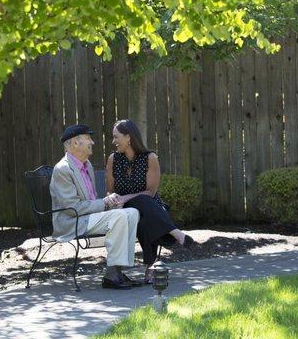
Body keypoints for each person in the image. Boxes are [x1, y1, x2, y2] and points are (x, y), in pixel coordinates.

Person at [50, 123, 141, 290]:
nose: (92, 142)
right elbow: (73, 208)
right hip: (72, 222)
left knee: (132, 213)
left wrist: (109, 203)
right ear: (75, 143)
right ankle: (112, 275)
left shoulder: (87, 165)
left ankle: (117, 271)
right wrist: (105, 203)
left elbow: (91, 200)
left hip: (87, 218)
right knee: (120, 216)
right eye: (88, 139)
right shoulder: (63, 169)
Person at [106, 119, 195, 284]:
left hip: (149, 206)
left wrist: (126, 196)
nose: (113, 141)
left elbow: (151, 192)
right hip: (123, 209)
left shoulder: (150, 158)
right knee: (141, 209)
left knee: (144, 210)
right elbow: (110, 190)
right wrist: (115, 199)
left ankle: (150, 265)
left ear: (128, 137)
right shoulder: (113, 159)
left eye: (116, 137)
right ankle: (174, 234)